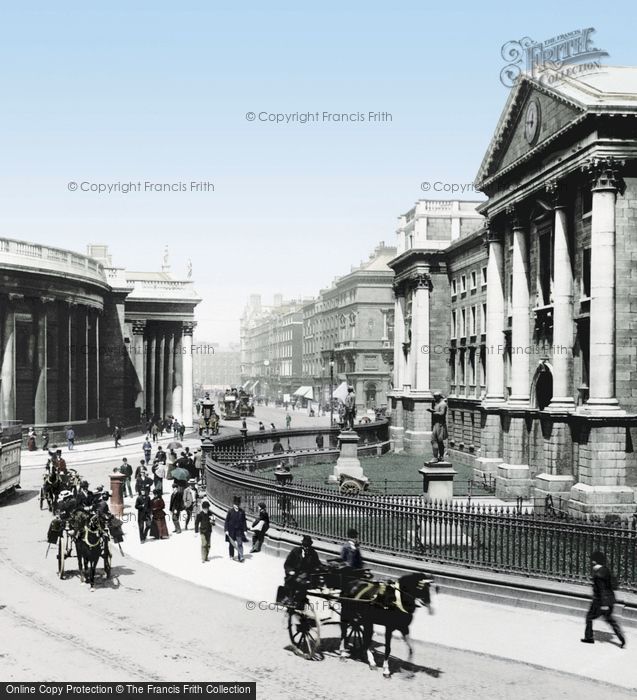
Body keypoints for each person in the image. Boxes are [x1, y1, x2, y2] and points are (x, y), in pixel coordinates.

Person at [581, 551, 625, 647]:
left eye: (592, 561)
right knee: (610, 620)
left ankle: (589, 638)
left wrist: (604, 605)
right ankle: (622, 638)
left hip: (600, 602)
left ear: (594, 562)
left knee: (589, 617)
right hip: (610, 600)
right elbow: (614, 585)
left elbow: (601, 590)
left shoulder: (598, 575)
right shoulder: (606, 570)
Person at [283, 535, 321, 604]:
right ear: (302, 545)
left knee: (301, 581)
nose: (306, 548)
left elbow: (317, 564)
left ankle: (298, 598)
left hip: (305, 574)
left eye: (308, 546)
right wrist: (290, 571)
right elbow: (287, 564)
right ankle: (289, 597)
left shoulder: (313, 553)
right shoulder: (295, 551)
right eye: (305, 546)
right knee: (291, 580)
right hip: (294, 572)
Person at [225, 495, 248, 562]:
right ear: (233, 504)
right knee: (232, 544)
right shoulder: (230, 512)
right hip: (231, 530)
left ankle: (240, 556)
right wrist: (226, 530)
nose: (237, 506)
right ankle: (231, 555)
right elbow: (226, 521)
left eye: (238, 504)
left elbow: (244, 521)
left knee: (240, 543)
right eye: (235, 504)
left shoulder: (242, 512)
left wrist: (245, 530)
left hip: (239, 530)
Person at [427, 391, 448, 462]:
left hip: (440, 425)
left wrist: (433, 412)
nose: (434, 399)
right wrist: (433, 411)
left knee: (434, 440)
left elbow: (442, 413)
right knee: (439, 441)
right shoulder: (439, 404)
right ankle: (440, 457)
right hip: (437, 424)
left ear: (439, 397)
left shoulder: (443, 404)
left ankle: (436, 457)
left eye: (435, 397)